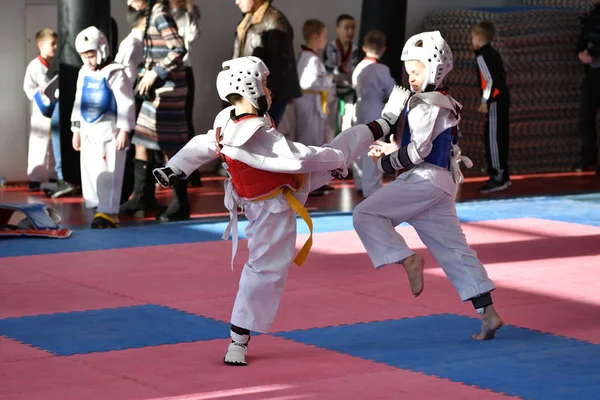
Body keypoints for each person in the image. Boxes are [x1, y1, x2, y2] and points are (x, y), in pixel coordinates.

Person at [152, 56, 409, 365]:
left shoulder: (230, 120)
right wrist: (333, 162)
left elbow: (205, 144)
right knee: (264, 269)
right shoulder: (254, 133)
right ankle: (238, 339)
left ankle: (385, 121)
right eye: (264, 85)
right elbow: (297, 158)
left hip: (282, 186)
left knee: (340, 149)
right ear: (249, 88)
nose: (269, 91)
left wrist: (174, 168)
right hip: (271, 206)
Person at [353, 31, 503, 341]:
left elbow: (417, 153)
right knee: (455, 251)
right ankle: (488, 313)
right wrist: (393, 150)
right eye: (409, 72)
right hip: (441, 184)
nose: (412, 78)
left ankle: (406, 258)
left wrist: (385, 163)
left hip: (423, 180)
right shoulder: (444, 100)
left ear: (435, 67)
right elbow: (423, 147)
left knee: (365, 215)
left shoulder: (424, 104)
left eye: (417, 71)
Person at [121, 0, 190, 222]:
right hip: (157, 90)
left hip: (168, 90)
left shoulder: (160, 15)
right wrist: (146, 71)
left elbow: (178, 48)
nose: (129, 2)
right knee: (141, 140)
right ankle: (142, 196)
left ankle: (180, 203)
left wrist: (155, 73)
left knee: (170, 145)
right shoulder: (152, 15)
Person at [71, 26, 136, 228]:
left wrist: (124, 129)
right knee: (91, 171)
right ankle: (98, 208)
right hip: (88, 130)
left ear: (102, 49)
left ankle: (108, 212)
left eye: (91, 55)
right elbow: (79, 101)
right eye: (84, 56)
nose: (88, 61)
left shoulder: (116, 72)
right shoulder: (83, 72)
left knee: (109, 170)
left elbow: (126, 102)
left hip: (110, 130)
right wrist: (76, 130)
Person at [233, 0, 301, 126]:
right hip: (250, 94)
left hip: (266, 97)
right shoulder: (247, 20)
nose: (237, 2)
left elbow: (281, 67)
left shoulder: (276, 21)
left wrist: (263, 98)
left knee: (262, 137)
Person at [351, 30, 396, 197]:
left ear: (364, 47)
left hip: (360, 107)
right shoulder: (381, 69)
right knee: (375, 146)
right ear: (383, 49)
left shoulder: (359, 67)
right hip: (375, 108)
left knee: (359, 145)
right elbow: (392, 90)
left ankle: (359, 181)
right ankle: (372, 188)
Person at [472, 21, 511, 193]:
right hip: (501, 100)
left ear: (480, 38)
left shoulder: (482, 55)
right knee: (499, 137)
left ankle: (498, 176)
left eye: (473, 37)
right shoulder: (493, 53)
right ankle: (503, 174)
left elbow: (489, 81)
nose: (471, 41)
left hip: (495, 101)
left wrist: (484, 101)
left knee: (493, 140)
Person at [115, 5, 146, 204]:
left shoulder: (137, 42)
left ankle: (135, 192)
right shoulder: (131, 43)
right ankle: (126, 191)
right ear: (143, 20)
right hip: (130, 96)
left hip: (136, 94)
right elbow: (120, 70)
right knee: (130, 145)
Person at [23, 29, 59, 192]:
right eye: (52, 44)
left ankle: (53, 175)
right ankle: (35, 179)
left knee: (54, 144)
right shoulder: (34, 65)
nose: (55, 47)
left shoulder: (56, 65)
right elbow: (28, 88)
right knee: (39, 142)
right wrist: (39, 97)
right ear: (40, 45)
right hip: (40, 111)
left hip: (55, 108)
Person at [295, 19, 334, 147]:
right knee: (310, 139)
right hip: (309, 105)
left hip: (310, 102)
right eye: (325, 36)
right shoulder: (311, 59)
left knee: (313, 138)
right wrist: (328, 79)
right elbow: (307, 83)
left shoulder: (308, 56)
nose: (326, 40)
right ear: (314, 37)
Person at [323, 14, 360, 135]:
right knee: (331, 126)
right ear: (337, 29)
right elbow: (327, 70)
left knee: (348, 126)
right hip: (333, 92)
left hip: (349, 92)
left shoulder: (356, 49)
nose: (350, 31)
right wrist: (340, 69)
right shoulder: (330, 47)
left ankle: (345, 153)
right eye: (347, 27)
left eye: (353, 28)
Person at [576, 2, 600, 175]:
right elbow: (584, 37)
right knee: (586, 116)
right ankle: (589, 158)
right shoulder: (595, 14)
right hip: (592, 73)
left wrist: (593, 53)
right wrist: (581, 52)